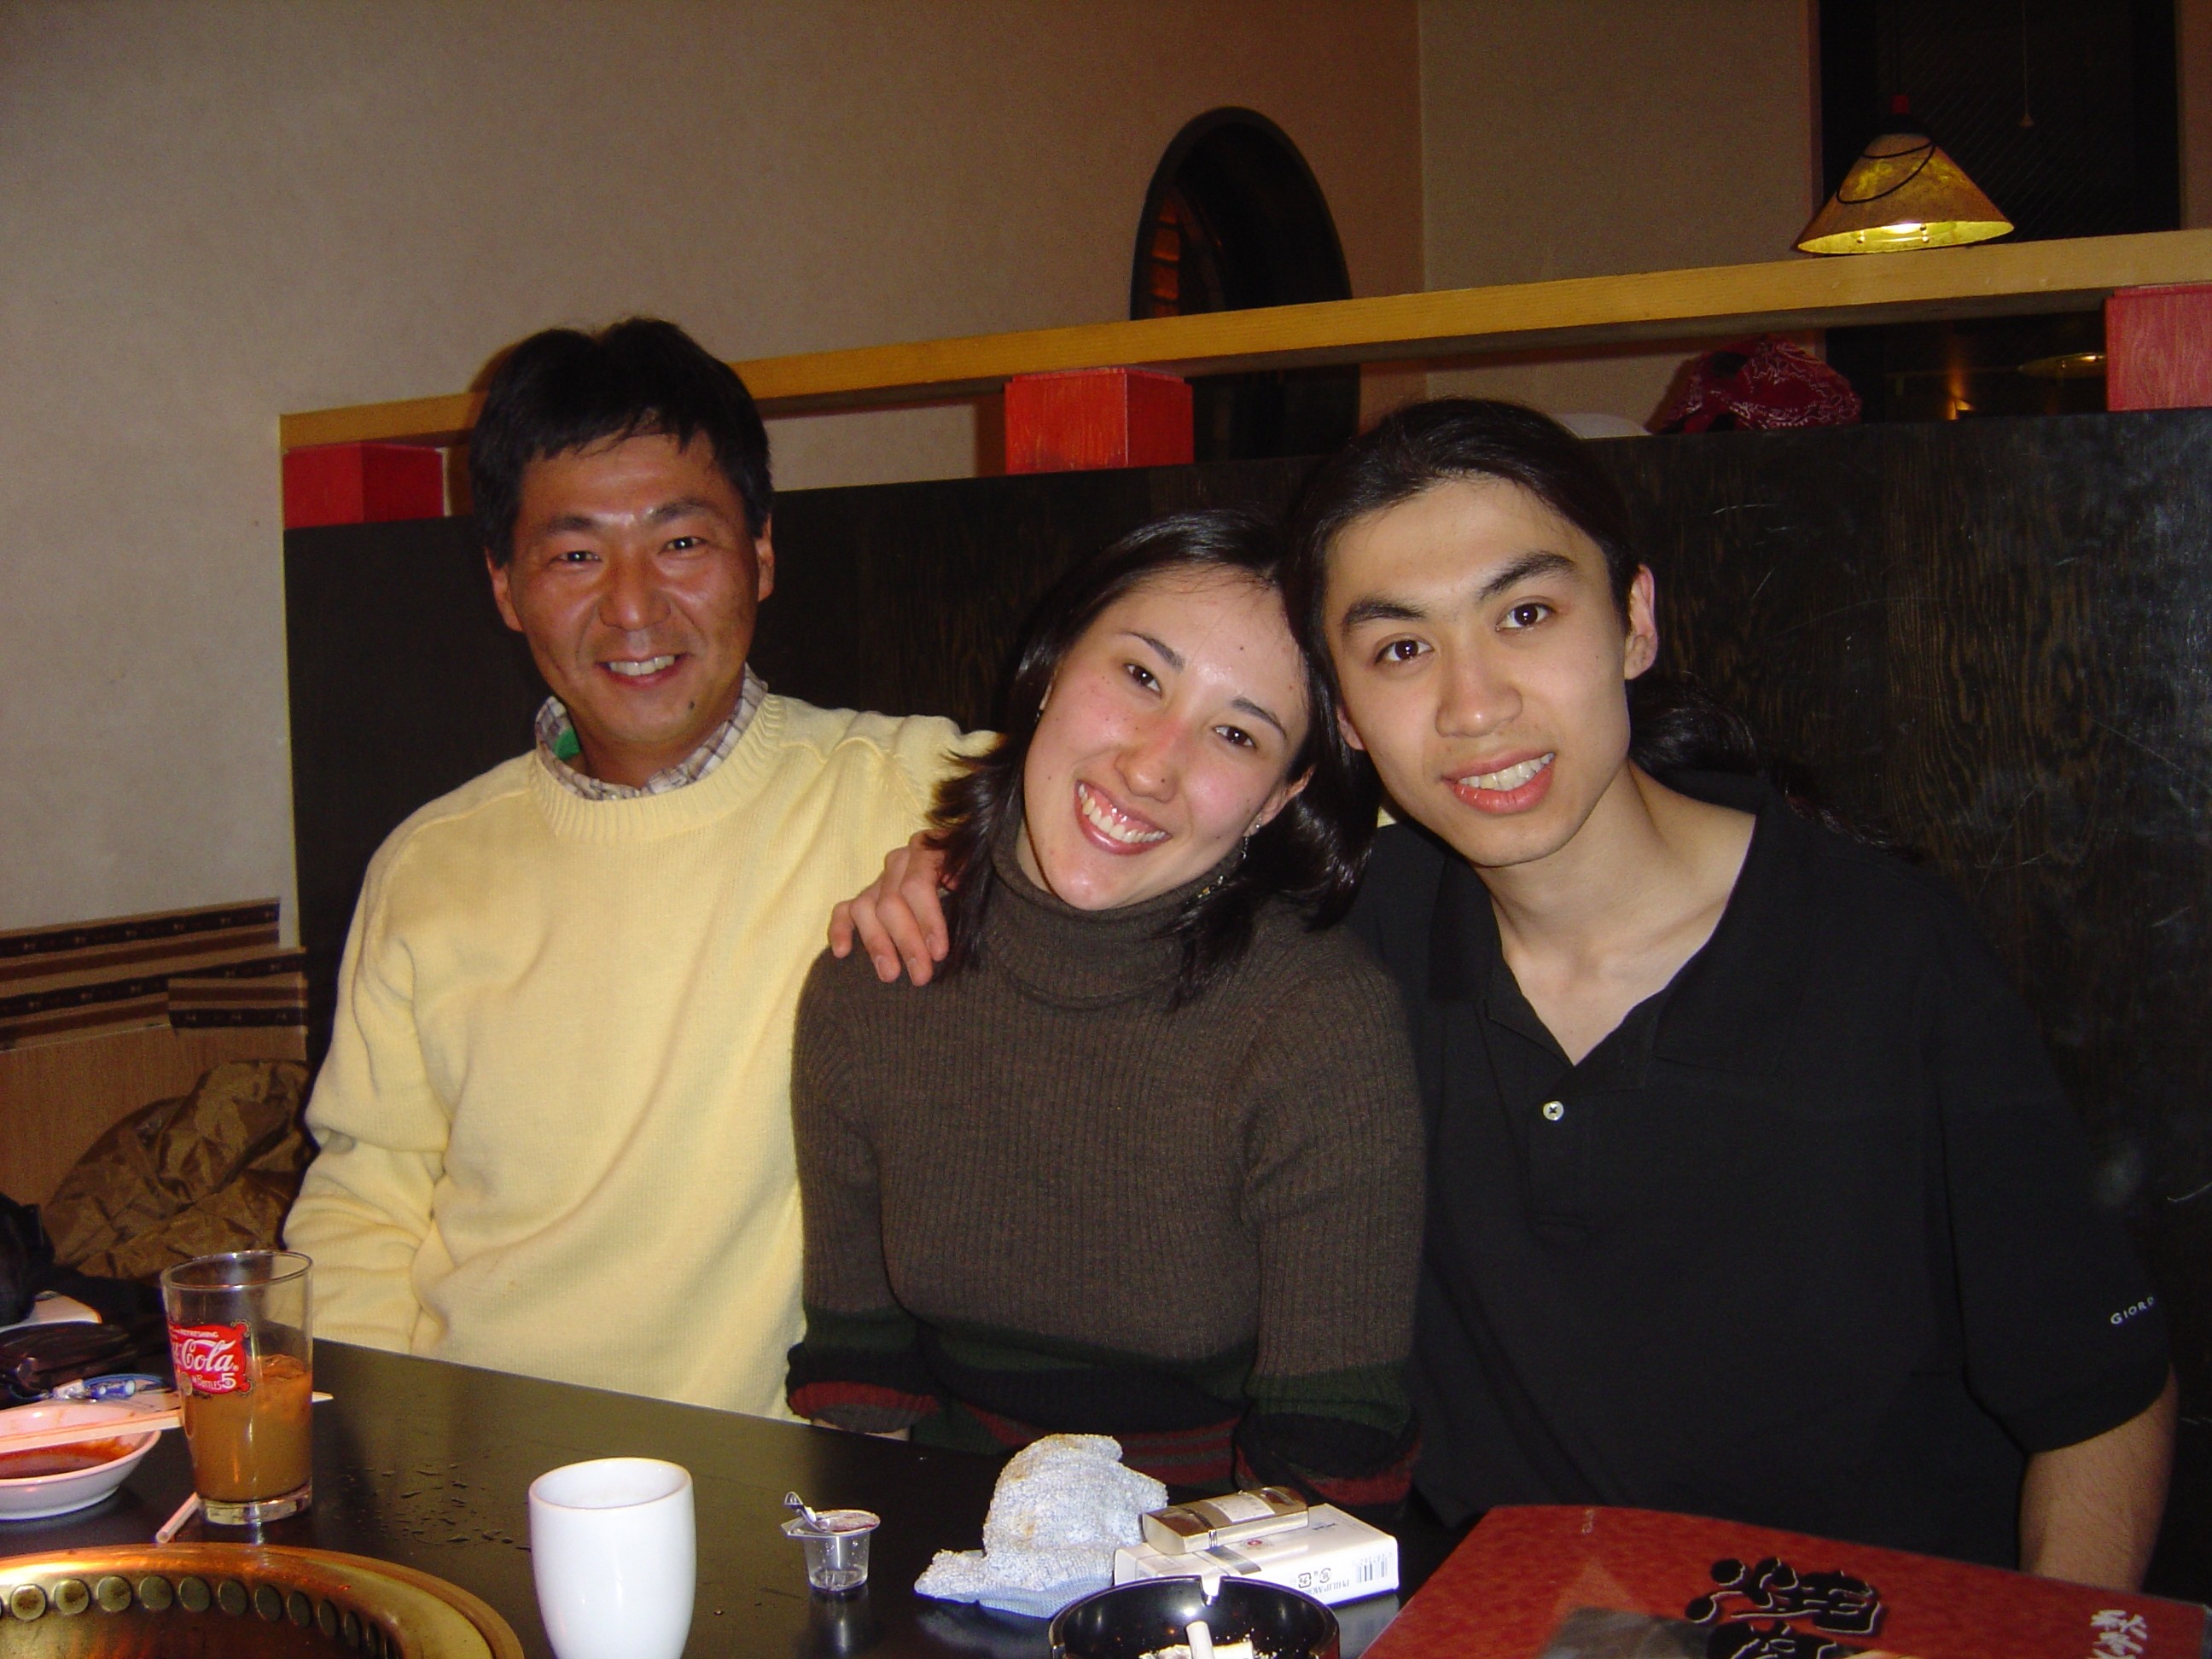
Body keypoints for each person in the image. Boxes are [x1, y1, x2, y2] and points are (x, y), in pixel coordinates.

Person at [833, 402, 2175, 1586]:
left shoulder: (1881, 949)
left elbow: (2101, 1393)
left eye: (1526, 616)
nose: (1474, 707)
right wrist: (957, 872)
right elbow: (1130, 868)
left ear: (1635, 619)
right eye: (1400, 650)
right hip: (1508, 1618)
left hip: (1862, 1619)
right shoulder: (1353, 941)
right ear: (1346, 720)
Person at [283, 318, 970, 1417]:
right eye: (574, 555)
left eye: (681, 543)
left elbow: (1170, 797)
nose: (634, 607)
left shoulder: (908, 789)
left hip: (779, 1474)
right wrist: (370, 1445)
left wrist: (976, 842)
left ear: (761, 555)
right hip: (477, 1461)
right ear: (505, 587)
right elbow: (369, 1202)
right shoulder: (429, 865)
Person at [787, 510, 1424, 1508]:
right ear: (1050, 668)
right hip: (944, 1533)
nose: (1152, 765)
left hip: (1222, 1558)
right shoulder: (877, 981)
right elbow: (861, 1385)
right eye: (1139, 676)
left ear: (1275, 797)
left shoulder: (1315, 1023)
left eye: (1236, 734)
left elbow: (1330, 1456)